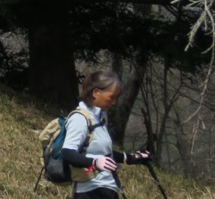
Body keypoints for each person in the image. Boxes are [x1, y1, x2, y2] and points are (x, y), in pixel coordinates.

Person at [61, 69, 152, 197]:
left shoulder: (100, 116)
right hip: (89, 191)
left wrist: (130, 157)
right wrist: (94, 163)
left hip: (106, 188)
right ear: (96, 92)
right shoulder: (79, 118)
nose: (114, 102)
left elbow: (101, 153)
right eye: (111, 97)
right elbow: (67, 153)